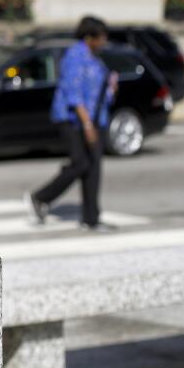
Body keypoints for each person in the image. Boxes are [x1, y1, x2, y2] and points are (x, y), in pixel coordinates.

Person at [25, 16, 118, 232]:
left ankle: (91, 218)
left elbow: (100, 92)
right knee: (81, 163)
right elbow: (73, 94)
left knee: (93, 168)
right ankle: (40, 198)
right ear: (88, 37)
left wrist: (112, 88)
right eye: (100, 37)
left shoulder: (96, 60)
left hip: (96, 119)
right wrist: (87, 125)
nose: (103, 42)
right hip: (73, 119)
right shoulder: (74, 57)